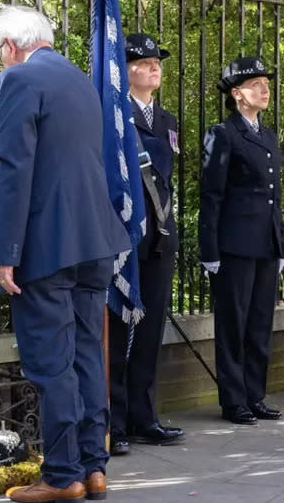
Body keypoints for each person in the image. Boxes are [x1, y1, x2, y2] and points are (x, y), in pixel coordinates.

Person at [0, 5, 130, 503]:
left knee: (52, 365)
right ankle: (94, 469)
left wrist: (5, 253)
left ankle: (63, 475)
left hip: (47, 248)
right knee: (89, 356)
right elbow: (54, 147)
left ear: (10, 46)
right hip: (94, 243)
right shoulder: (79, 81)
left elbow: (17, 164)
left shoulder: (17, 80)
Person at [198, 57, 284, 425]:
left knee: (260, 322)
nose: (265, 89)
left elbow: (275, 195)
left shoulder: (267, 135)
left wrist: (280, 243)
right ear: (237, 93)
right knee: (233, 323)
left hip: (265, 243)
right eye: (256, 84)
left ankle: (255, 394)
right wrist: (210, 250)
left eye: (266, 83)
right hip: (234, 243)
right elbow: (212, 195)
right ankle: (234, 400)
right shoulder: (223, 133)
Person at [107, 33, 183, 456]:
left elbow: (166, 181)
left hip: (159, 235)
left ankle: (143, 416)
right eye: (144, 61)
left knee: (150, 329)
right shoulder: (113, 117)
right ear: (125, 68)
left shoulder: (166, 119)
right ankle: (115, 422)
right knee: (120, 329)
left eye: (157, 61)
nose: (154, 66)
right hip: (125, 236)